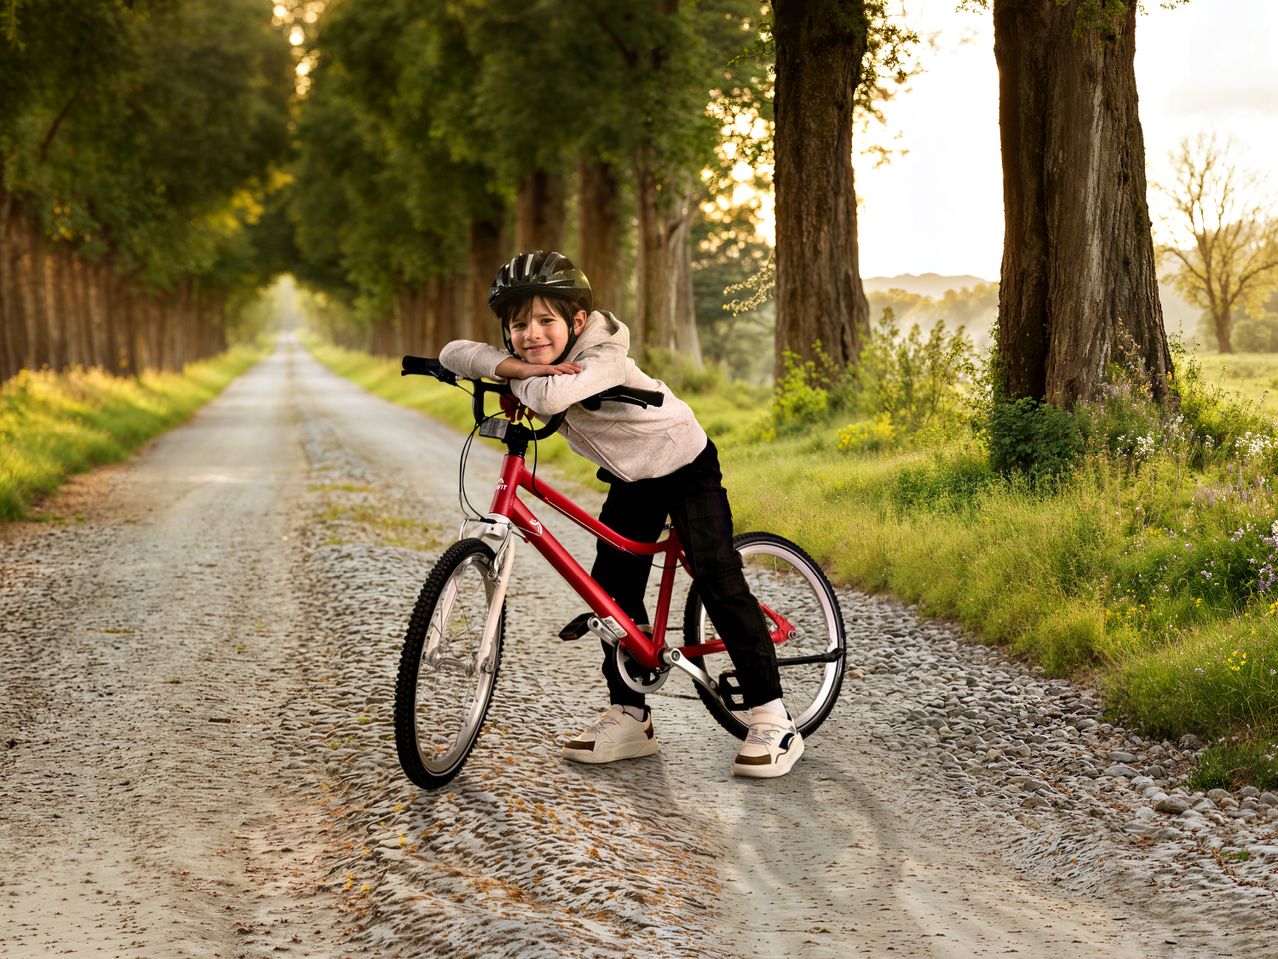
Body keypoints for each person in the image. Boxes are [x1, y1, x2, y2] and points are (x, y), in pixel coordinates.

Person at [439, 250, 802, 778]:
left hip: (684, 464)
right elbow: (453, 351)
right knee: (609, 590)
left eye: (547, 320)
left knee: (717, 576)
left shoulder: (604, 352)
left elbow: (551, 393)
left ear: (578, 321)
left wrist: (511, 375)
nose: (532, 334)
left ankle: (773, 717)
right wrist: (514, 365)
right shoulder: (533, 356)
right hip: (633, 477)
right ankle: (631, 716)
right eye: (519, 325)